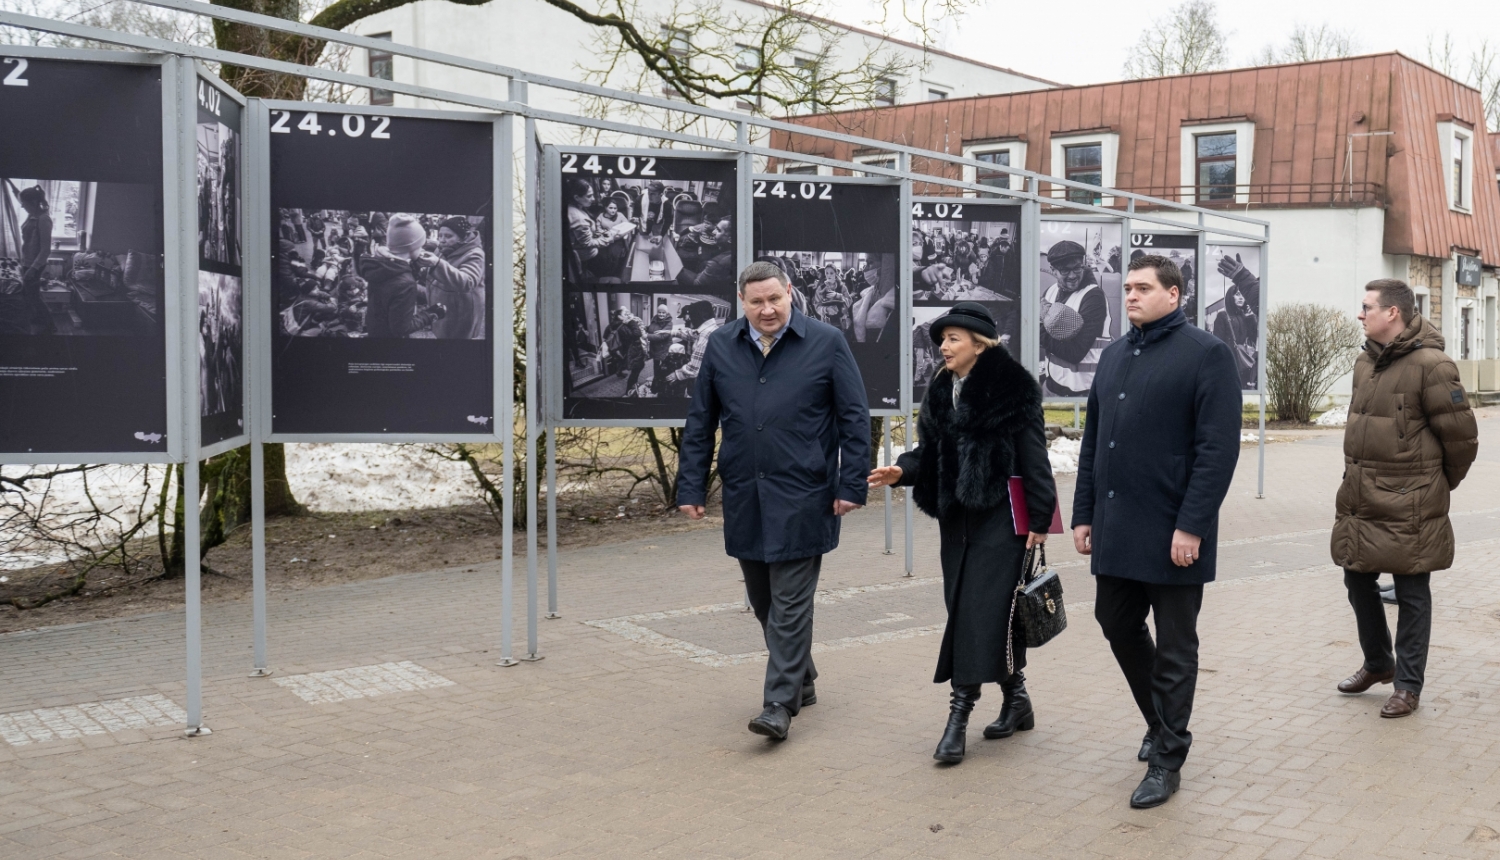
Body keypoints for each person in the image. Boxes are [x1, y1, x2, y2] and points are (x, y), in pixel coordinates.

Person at [1072, 253, 1242, 809]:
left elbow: (1217, 452)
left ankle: (1168, 758)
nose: (1131, 296)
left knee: (1174, 647)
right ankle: (1158, 720)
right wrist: (1084, 513)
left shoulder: (1207, 355)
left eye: (1143, 288)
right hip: (1118, 525)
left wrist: (1192, 525)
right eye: (1127, 288)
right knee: (1114, 620)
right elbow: (1093, 440)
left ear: (1176, 294)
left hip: (1174, 530)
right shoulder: (1116, 353)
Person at [677, 261, 869, 741]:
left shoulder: (826, 342)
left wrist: (851, 485)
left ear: (789, 293)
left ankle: (778, 703)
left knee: (789, 601)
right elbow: (701, 421)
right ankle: (801, 676)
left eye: (774, 299)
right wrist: (691, 486)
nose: (767, 309)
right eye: (756, 302)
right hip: (746, 492)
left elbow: (854, 418)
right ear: (741, 301)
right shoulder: (722, 345)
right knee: (762, 599)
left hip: (806, 494)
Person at [868, 302, 1056, 765]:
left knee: (977, 612)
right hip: (957, 519)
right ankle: (1017, 700)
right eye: (942, 340)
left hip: (1002, 518)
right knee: (976, 610)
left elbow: (1035, 460)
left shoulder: (1012, 388)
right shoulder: (940, 389)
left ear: (979, 342)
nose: (944, 347)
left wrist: (1041, 521)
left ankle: (959, 715)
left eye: (953, 339)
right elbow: (931, 452)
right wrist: (902, 471)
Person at [1331, 279, 1477, 718]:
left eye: (1366, 306)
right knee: (1357, 578)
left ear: (1392, 313)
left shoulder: (1432, 365)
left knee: (1413, 589)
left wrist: (1434, 485)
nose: (1360, 314)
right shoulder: (1364, 362)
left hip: (1411, 501)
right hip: (1362, 497)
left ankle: (1408, 685)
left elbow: (1463, 439)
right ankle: (1378, 663)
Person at [1040, 240, 1110, 397]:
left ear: (1083, 264)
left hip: (1083, 391)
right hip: (1051, 385)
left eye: (1077, 268)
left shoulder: (1093, 297)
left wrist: (1038, 331)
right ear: (1053, 270)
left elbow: (1075, 353)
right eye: (1065, 270)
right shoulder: (1050, 291)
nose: (1072, 276)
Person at [360, 213, 445, 338]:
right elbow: (401, 328)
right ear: (411, 247)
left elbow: (390, 290)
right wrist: (430, 314)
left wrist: (412, 268)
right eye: (420, 246)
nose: (422, 250)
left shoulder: (380, 264)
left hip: (376, 329)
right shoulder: (406, 283)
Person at [418, 216, 486, 340]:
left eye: (448, 236)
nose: (442, 240)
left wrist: (436, 263)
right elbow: (437, 266)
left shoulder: (475, 254)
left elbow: (468, 282)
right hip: (444, 307)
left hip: (460, 311)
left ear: (463, 237)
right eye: (440, 235)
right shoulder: (444, 248)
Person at [18, 185, 57, 334]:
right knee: (30, 294)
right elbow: (23, 198)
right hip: (28, 262)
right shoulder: (32, 214)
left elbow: (46, 250)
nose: (22, 206)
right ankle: (38, 318)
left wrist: (33, 269)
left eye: (24, 203)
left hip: (35, 264)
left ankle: (50, 325)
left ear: (33, 202)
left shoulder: (43, 219)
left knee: (33, 296)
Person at [1211, 284, 1258, 389]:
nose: (1241, 297)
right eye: (1237, 294)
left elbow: (1254, 337)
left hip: (1244, 363)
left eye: (1242, 295)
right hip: (1229, 364)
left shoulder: (1244, 316)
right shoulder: (1222, 316)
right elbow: (1217, 343)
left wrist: (1251, 318)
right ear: (1230, 297)